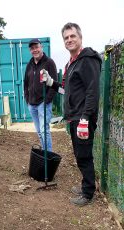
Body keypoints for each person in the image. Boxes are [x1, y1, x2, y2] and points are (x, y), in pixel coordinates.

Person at [40, 23, 102, 206]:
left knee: (83, 155)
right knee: (79, 154)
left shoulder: (88, 59)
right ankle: (87, 184)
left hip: (83, 118)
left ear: (80, 37)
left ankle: (88, 192)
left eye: (72, 36)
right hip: (75, 117)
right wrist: (52, 82)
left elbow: (93, 92)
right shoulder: (72, 63)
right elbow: (66, 90)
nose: (69, 40)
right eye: (66, 38)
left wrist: (85, 118)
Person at [24, 38, 58, 151]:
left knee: (44, 131)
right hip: (32, 104)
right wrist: (27, 99)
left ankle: (48, 156)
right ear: (30, 50)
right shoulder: (30, 64)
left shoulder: (49, 62)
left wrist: (47, 101)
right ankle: (44, 153)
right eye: (32, 48)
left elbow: (55, 85)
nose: (35, 50)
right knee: (39, 131)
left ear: (41, 47)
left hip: (43, 104)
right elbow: (26, 83)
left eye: (36, 47)